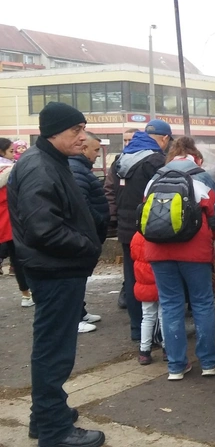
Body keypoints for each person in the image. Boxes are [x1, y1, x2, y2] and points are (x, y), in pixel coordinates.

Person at [9, 102, 105, 447]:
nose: (83, 137)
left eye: (83, 129)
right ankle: (53, 430)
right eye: (76, 130)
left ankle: (46, 415)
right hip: (55, 271)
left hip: (57, 269)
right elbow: (43, 229)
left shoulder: (50, 160)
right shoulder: (39, 166)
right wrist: (87, 246)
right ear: (53, 132)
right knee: (54, 351)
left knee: (52, 347)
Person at [142, 137, 215, 380]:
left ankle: (176, 366)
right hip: (194, 251)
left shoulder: (155, 178)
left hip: (158, 249)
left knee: (170, 305)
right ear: (195, 156)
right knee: (202, 303)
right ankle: (208, 362)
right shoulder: (202, 177)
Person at [109, 121, 172, 341]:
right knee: (154, 279)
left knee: (132, 277)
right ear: (164, 139)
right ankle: (156, 333)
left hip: (127, 230)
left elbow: (111, 191)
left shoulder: (121, 159)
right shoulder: (156, 161)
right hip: (151, 228)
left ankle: (138, 329)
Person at [69, 131, 108, 334]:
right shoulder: (77, 170)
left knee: (80, 277)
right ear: (84, 149)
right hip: (82, 234)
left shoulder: (80, 168)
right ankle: (74, 318)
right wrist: (99, 220)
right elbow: (81, 205)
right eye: (95, 150)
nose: (97, 155)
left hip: (85, 234)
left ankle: (80, 311)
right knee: (74, 279)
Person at [105, 128, 139, 310]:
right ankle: (127, 290)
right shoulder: (118, 163)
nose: (127, 144)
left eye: (130, 140)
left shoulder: (147, 161)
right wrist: (112, 217)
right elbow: (109, 190)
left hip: (140, 222)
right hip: (124, 222)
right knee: (129, 262)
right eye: (125, 140)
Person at [0, 138, 30, 307]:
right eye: (11, 151)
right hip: (10, 218)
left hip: (4, 219)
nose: (14, 154)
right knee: (17, 257)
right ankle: (26, 294)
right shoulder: (11, 170)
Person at [132, 231, 165, 365]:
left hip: (144, 284)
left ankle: (144, 351)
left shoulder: (136, 237)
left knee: (147, 317)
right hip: (161, 282)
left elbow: (134, 255)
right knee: (164, 316)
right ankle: (167, 348)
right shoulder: (160, 234)